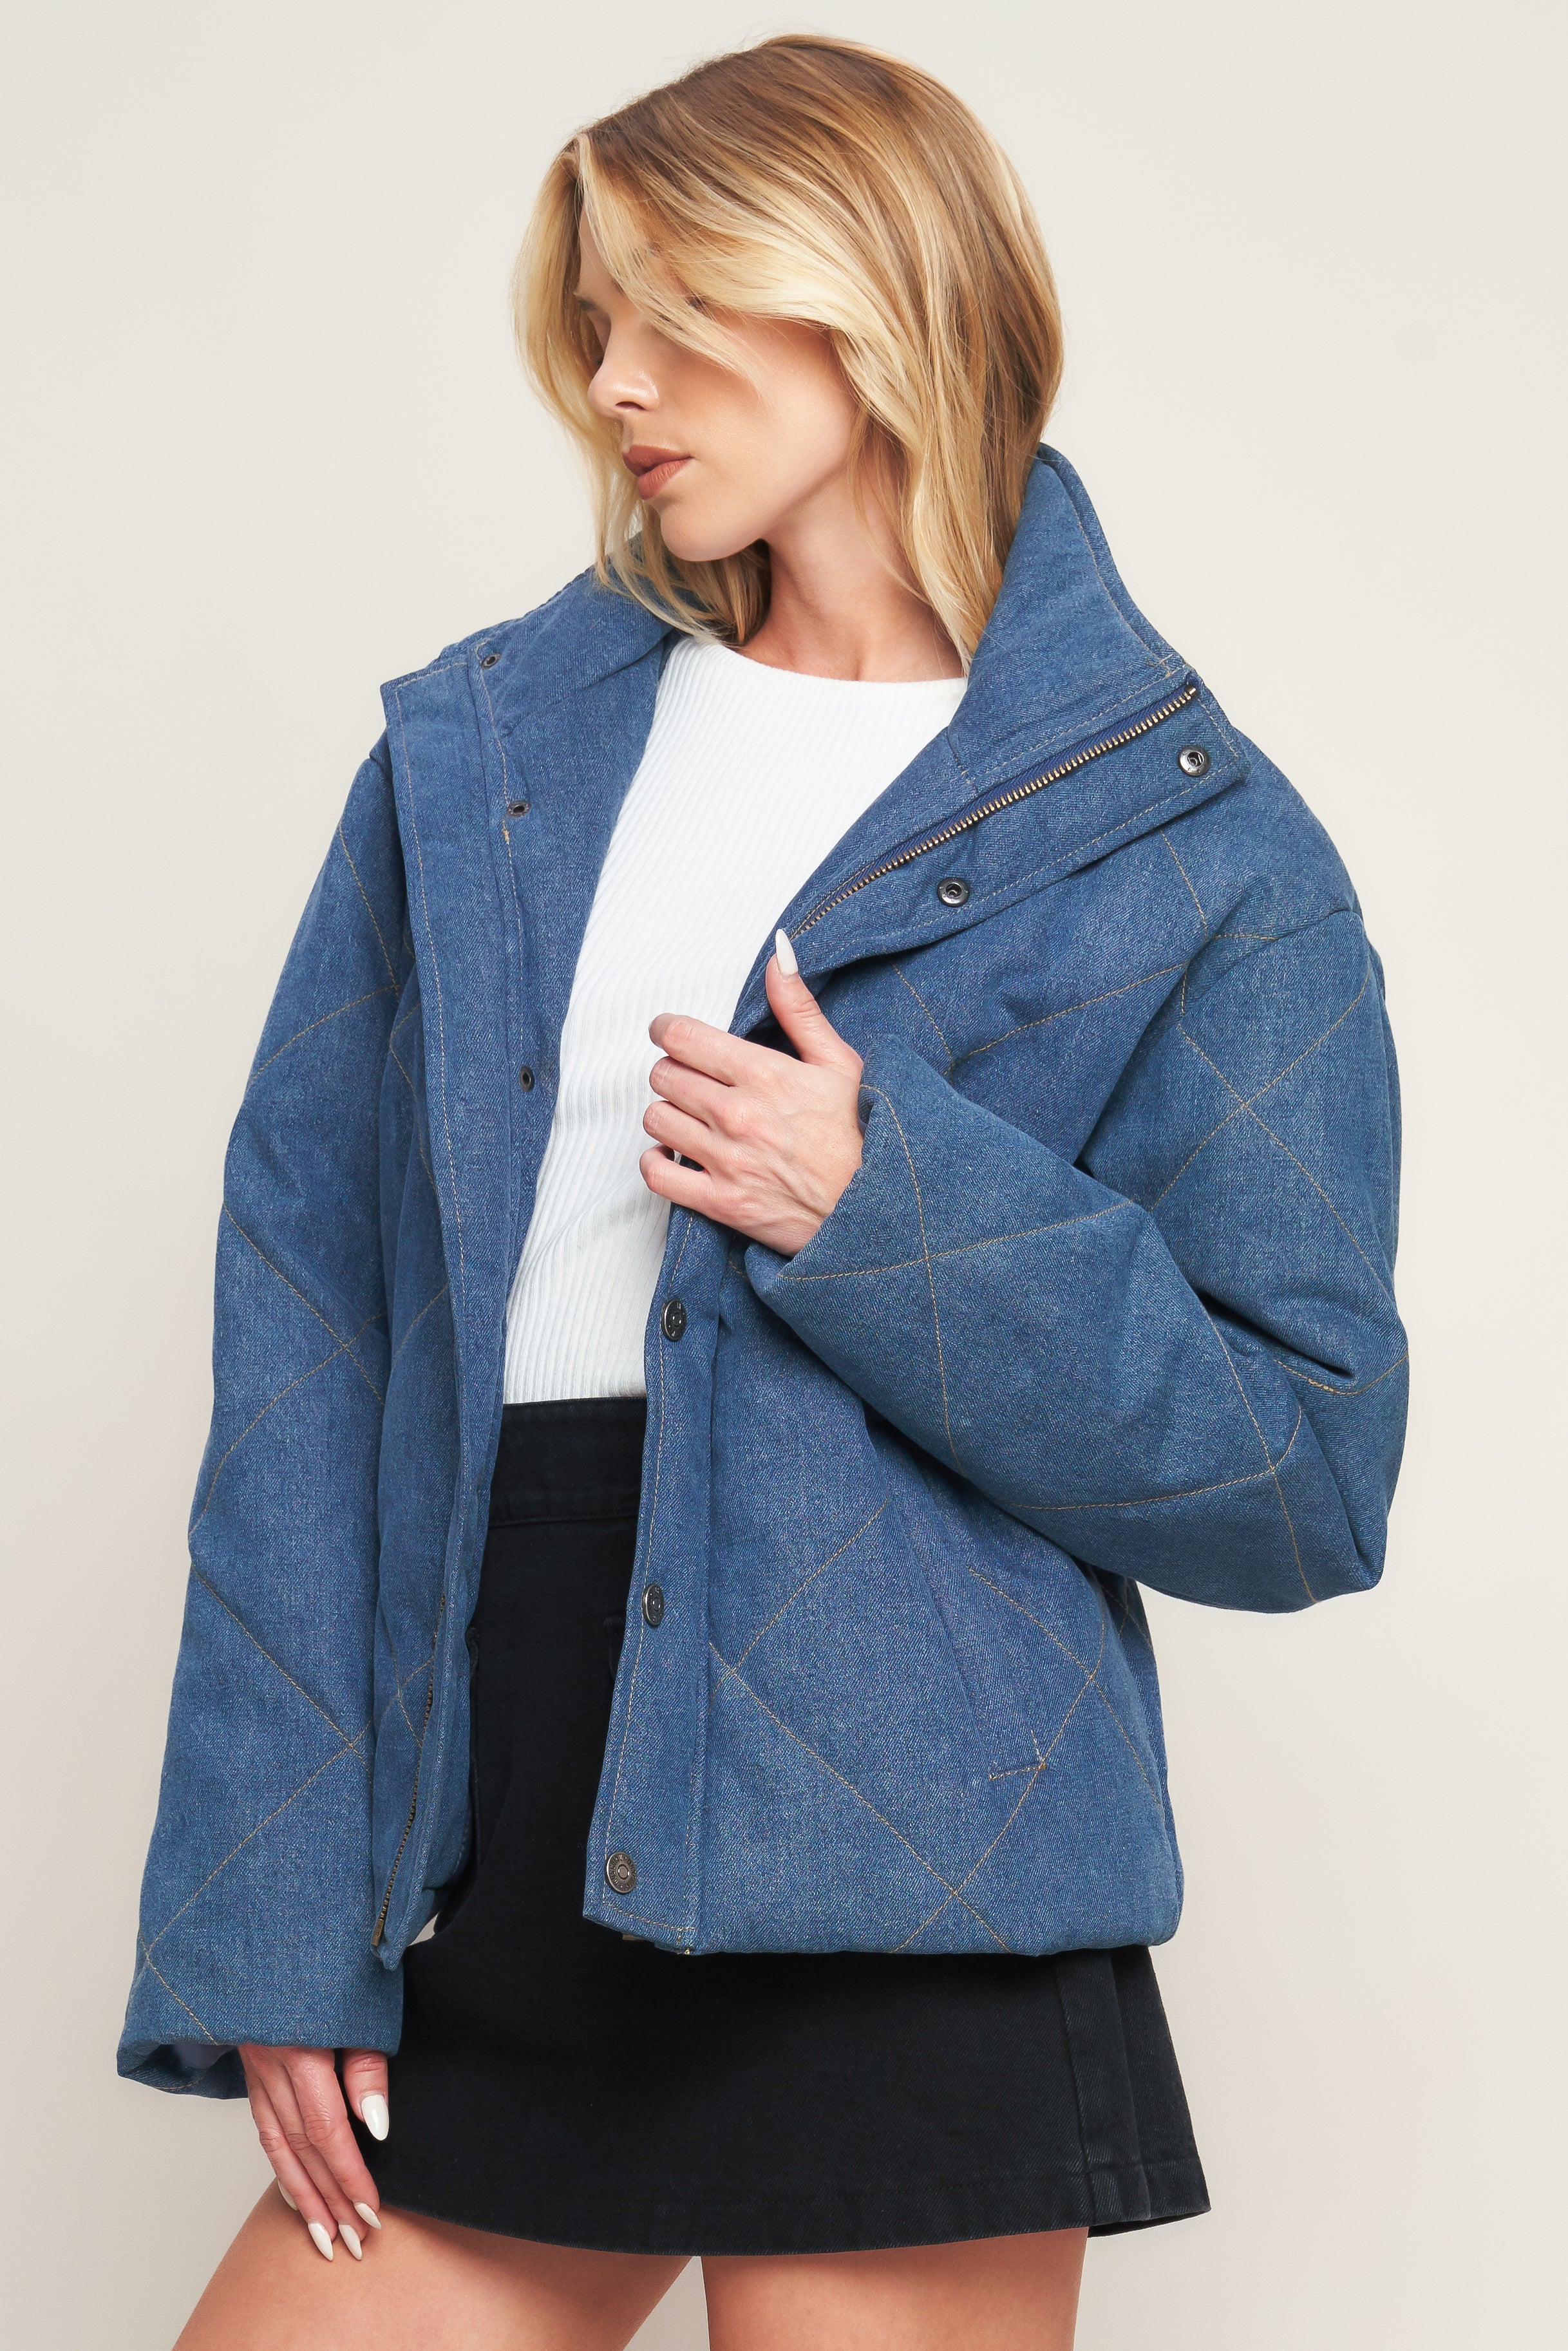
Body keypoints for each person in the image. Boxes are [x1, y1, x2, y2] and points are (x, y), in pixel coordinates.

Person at [120, 34, 1408, 2351]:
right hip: (487, 1818)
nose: (613, 382)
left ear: (877, 292)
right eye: (592, 323)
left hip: (916, 1867)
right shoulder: (475, 763)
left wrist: (886, 1213)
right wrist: (270, 1914)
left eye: (676, 311)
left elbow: (1301, 1471)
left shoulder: (1195, 844)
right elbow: (310, 1339)